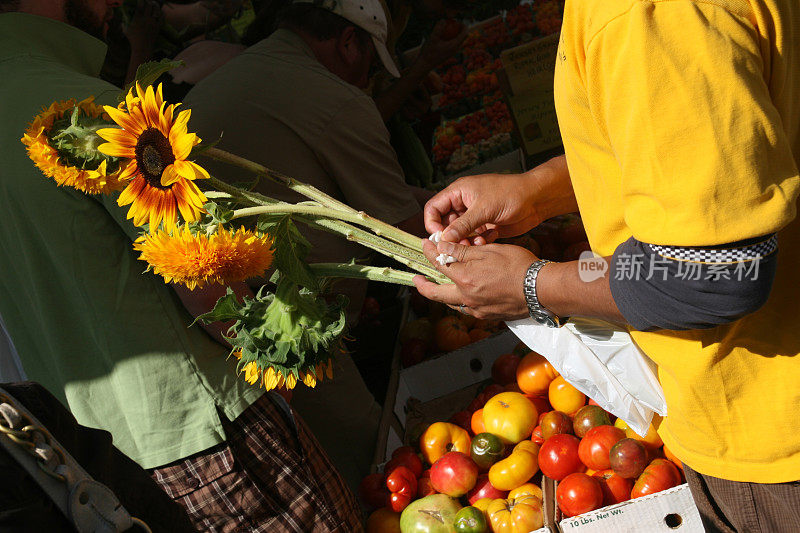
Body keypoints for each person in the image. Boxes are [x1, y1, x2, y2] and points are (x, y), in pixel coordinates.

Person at [414, 1, 800, 531]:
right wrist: (535, 192)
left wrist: (532, 285)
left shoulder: (640, 15)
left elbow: (714, 272)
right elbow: (693, 140)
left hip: (770, 424)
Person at [0, 1, 362, 531]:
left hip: (96, 473)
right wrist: (286, 352)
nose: (111, 7)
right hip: (214, 448)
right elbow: (215, 295)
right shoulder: (91, 115)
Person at [183, 0, 429, 492]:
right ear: (347, 42)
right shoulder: (334, 98)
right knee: (379, 473)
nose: (366, 80)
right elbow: (407, 230)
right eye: (367, 62)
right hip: (287, 336)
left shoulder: (233, 76)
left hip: (217, 346)